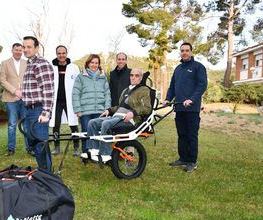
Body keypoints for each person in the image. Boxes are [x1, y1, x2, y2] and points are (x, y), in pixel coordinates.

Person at [82, 68, 152, 162]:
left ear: (140, 78)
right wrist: (109, 110)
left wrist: (133, 112)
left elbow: (147, 108)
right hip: (117, 116)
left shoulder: (143, 89)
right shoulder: (126, 90)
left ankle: (105, 154)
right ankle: (94, 150)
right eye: (131, 75)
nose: (133, 77)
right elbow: (120, 107)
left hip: (129, 120)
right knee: (92, 123)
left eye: (136, 76)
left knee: (106, 124)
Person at [163, 42, 208, 173]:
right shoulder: (178, 69)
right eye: (182, 50)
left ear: (191, 52)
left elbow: (202, 85)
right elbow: (172, 87)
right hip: (179, 108)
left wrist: (192, 99)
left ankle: (192, 162)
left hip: (192, 109)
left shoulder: (198, 67)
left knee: (191, 135)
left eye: (187, 50)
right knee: (181, 134)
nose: (184, 52)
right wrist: (167, 99)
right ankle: (183, 158)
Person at [22, 36, 54, 171]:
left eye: (29, 47)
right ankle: (43, 172)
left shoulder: (41, 63)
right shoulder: (30, 64)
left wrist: (46, 113)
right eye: (24, 47)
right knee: (35, 143)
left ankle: (47, 176)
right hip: (29, 110)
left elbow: (48, 89)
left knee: (41, 144)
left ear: (36, 48)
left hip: (39, 110)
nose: (25, 49)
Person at [72, 54, 111, 154]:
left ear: (99, 64)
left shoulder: (103, 77)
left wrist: (107, 108)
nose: (94, 65)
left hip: (99, 110)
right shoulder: (81, 77)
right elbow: (75, 93)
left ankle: (97, 153)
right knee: (86, 132)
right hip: (85, 111)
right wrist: (77, 110)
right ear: (88, 63)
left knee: (98, 133)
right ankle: (85, 153)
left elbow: (107, 94)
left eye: (96, 63)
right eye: (92, 62)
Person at [0, 43, 30, 156]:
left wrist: (23, 92)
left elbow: (29, 79)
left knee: (26, 124)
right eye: (16, 50)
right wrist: (15, 91)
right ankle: (11, 148)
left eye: (20, 50)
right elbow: (2, 80)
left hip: (25, 98)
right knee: (12, 124)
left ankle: (29, 147)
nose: (18, 52)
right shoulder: (5, 63)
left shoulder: (26, 63)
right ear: (12, 50)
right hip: (11, 98)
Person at [50, 45, 80, 156]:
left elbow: (78, 84)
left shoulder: (74, 67)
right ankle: (56, 147)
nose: (61, 55)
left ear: (66, 54)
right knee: (55, 124)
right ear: (56, 54)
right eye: (59, 53)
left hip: (70, 101)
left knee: (73, 124)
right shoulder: (51, 67)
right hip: (56, 101)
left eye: (63, 53)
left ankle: (76, 147)